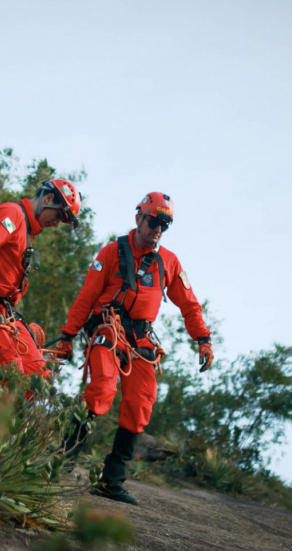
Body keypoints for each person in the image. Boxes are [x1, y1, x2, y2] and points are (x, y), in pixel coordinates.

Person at [55, 192, 214, 506]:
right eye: (154, 221)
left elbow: (190, 305)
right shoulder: (112, 252)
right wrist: (66, 337)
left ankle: (111, 481)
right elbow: (86, 298)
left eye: (164, 225)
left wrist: (203, 339)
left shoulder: (168, 262)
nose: (157, 229)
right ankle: (62, 461)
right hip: (107, 329)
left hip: (141, 340)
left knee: (141, 404)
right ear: (139, 217)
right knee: (102, 389)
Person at [0, 179, 82, 377]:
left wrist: (26, 330)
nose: (56, 224)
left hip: (4, 312)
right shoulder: (12, 215)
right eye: (59, 215)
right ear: (48, 198)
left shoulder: (28, 231)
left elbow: (8, 286)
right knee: (11, 371)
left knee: (40, 376)